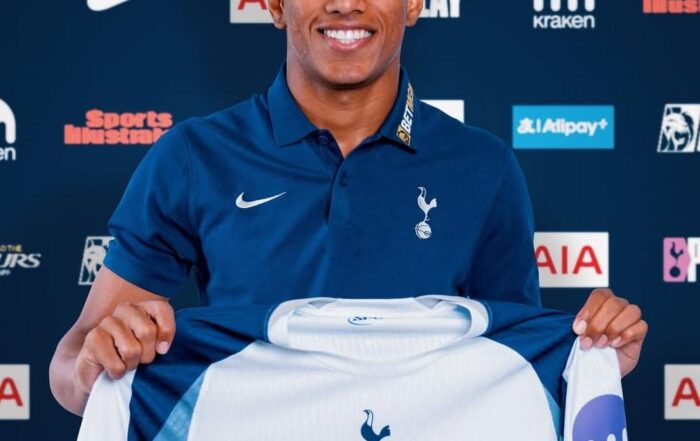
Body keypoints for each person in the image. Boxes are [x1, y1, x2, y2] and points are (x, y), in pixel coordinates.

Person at [49, 0, 648, 417]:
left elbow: (514, 372)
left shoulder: (483, 166)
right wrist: (94, 365)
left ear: (414, 4)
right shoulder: (192, 155)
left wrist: (592, 358)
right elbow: (72, 365)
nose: (346, 5)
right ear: (275, 5)